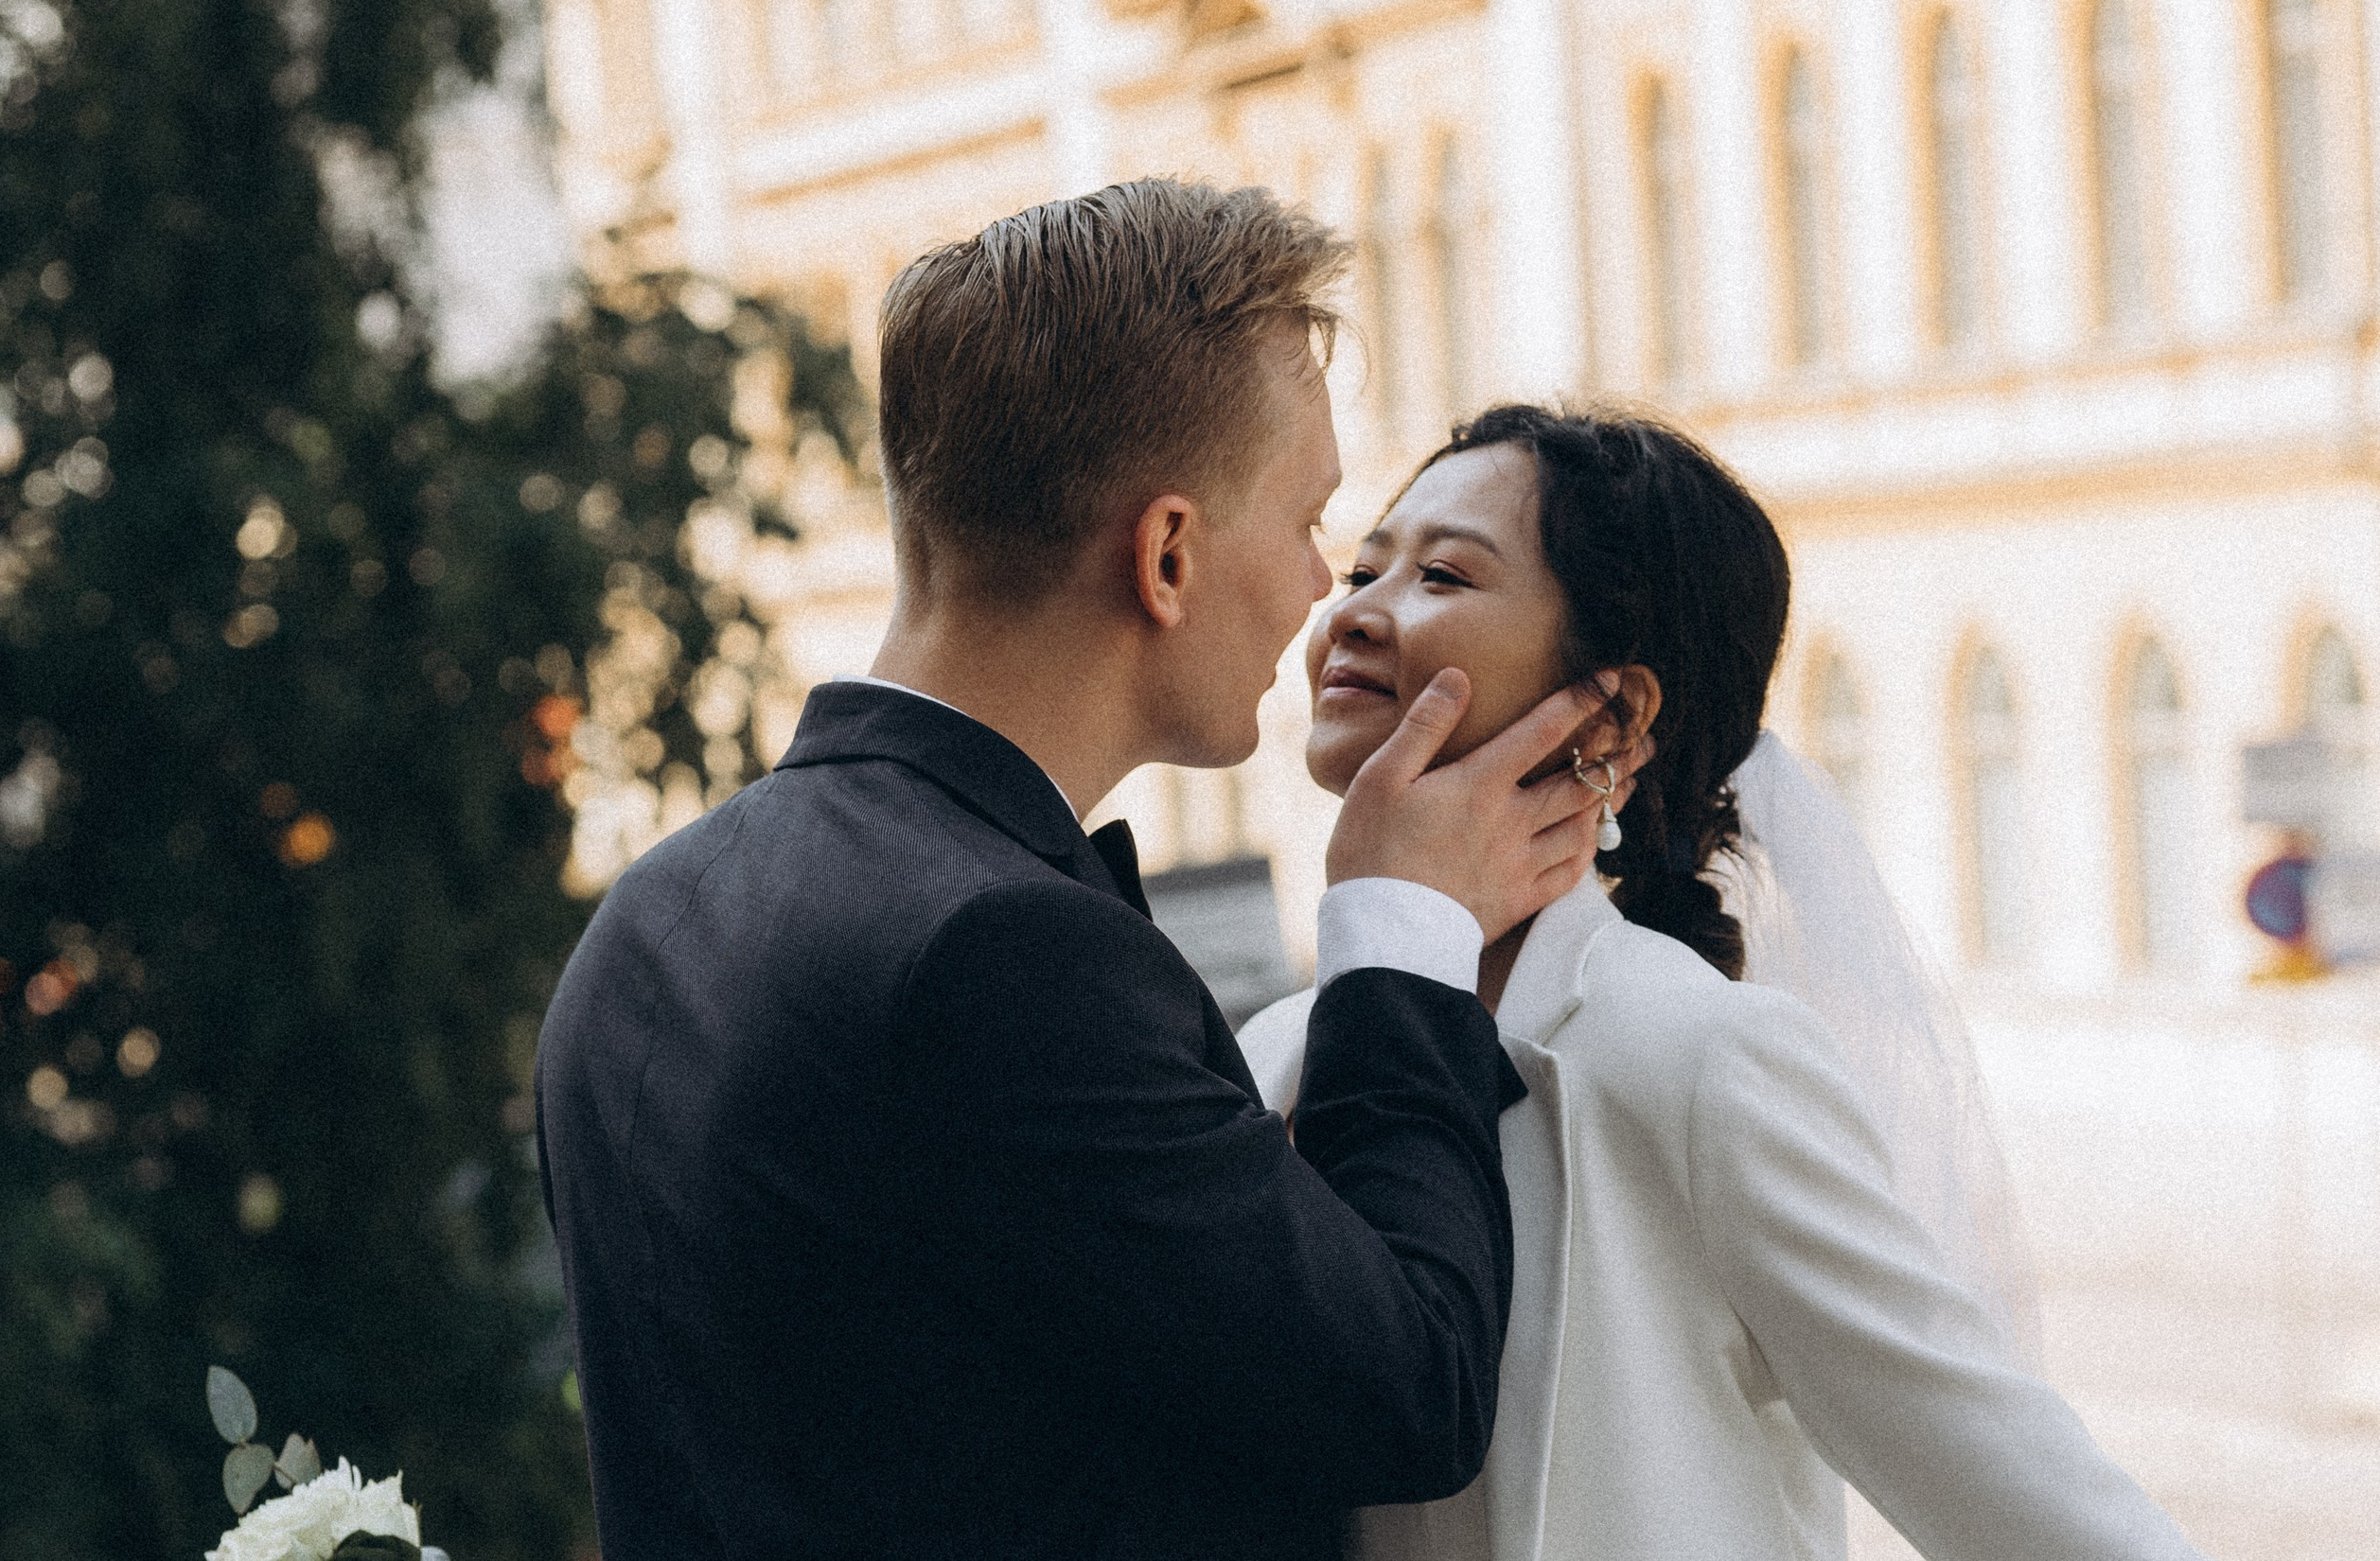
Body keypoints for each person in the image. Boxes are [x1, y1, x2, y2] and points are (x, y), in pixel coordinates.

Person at [535, 183, 1613, 1560]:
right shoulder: (1008, 958)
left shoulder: (652, 911)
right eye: (1305, 521)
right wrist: (1407, 927)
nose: (1320, 591)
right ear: (1166, 553)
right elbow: (1410, 1385)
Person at [1242, 405, 2208, 1561]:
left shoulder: (1695, 1060)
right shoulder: (1276, 1050)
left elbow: (2017, 1490)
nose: (1350, 611)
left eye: (1442, 573)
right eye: (1363, 564)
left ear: (1615, 714)